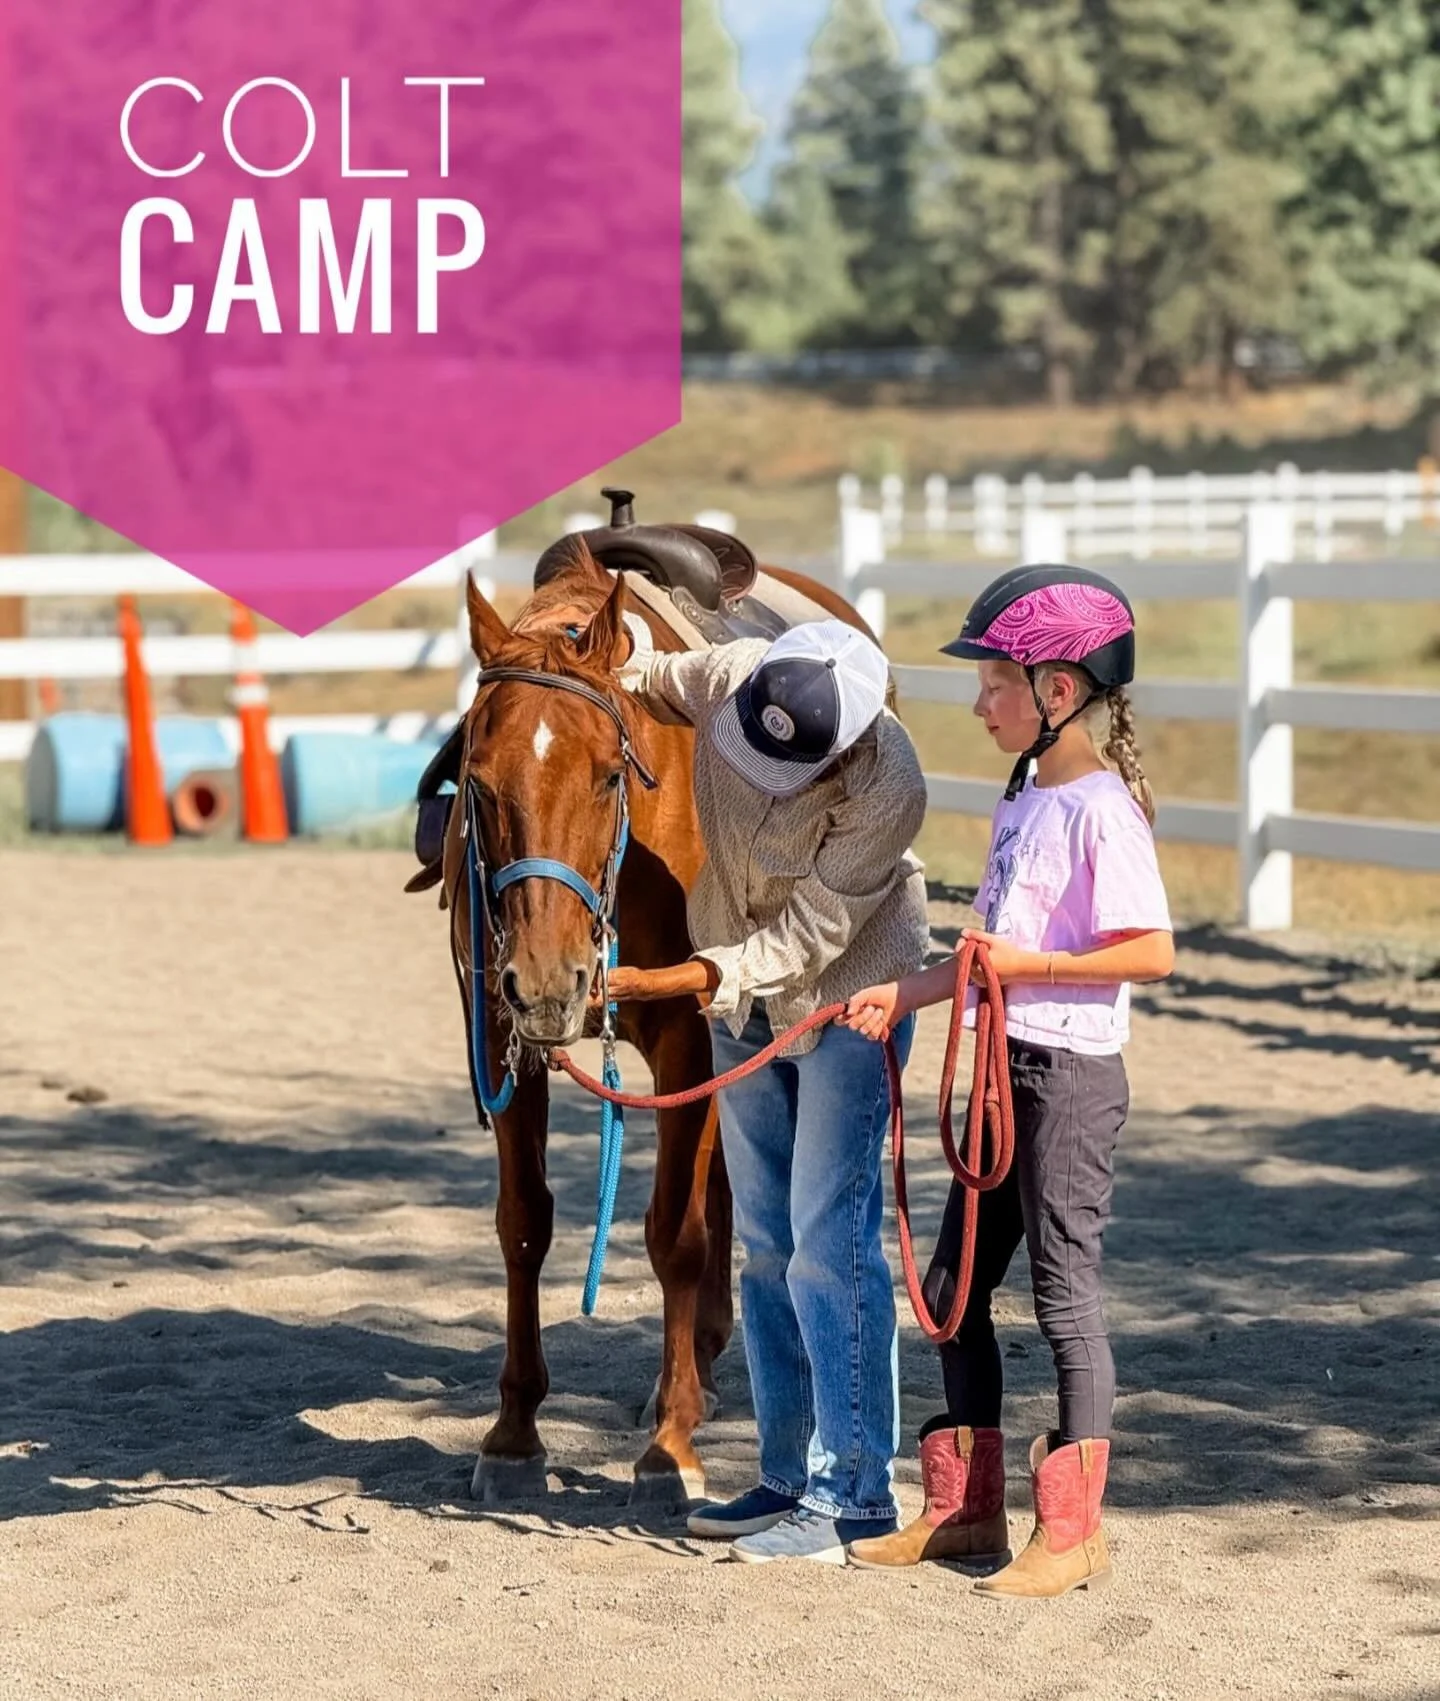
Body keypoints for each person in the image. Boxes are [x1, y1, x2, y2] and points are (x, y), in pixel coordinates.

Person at [839, 565, 1174, 1597]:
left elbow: (1151, 951)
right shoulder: (1027, 793)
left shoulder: (1099, 812)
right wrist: (910, 993)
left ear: (1057, 692)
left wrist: (1029, 971)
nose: (979, 703)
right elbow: (993, 949)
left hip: (1065, 1077)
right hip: (996, 1070)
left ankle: (1071, 1535)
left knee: (1064, 1298)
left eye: (995, 684)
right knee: (951, 1289)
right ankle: (967, 1509)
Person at [607, 618, 930, 1564]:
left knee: (829, 1244)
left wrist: (666, 981)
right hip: (736, 1009)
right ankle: (788, 1473)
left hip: (841, 1007)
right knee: (765, 1247)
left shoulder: (890, 784)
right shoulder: (733, 674)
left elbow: (803, 941)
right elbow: (641, 671)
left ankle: (856, 1494)